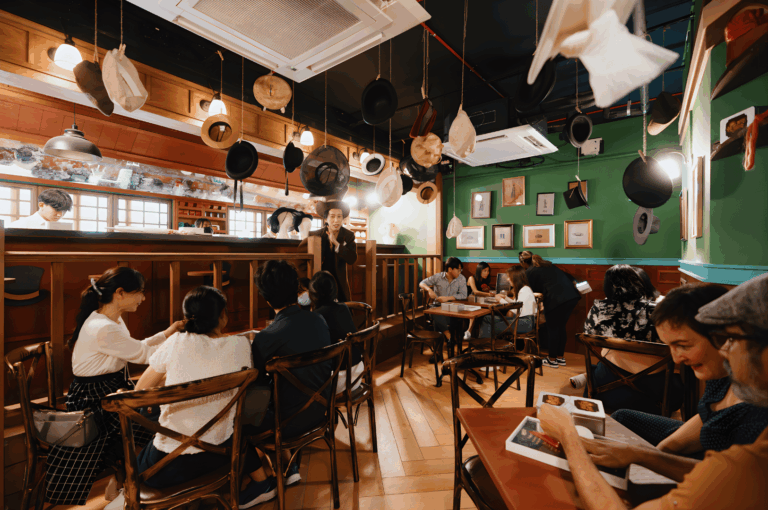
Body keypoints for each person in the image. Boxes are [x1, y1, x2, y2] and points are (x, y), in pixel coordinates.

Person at [538, 272, 768, 510]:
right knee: (624, 418)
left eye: (731, 339)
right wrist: (648, 456)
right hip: (658, 398)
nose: (725, 348)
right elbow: (710, 417)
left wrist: (568, 436)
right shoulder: (726, 376)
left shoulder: (754, 432)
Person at [114, 287, 270, 509]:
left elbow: (140, 392)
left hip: (166, 468)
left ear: (187, 318)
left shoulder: (176, 342)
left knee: (149, 428)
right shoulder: (241, 345)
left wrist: (171, 377)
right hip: (224, 457)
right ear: (223, 315)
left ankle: (123, 497)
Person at [44, 267, 184, 505]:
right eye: (139, 292)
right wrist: (182, 344)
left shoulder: (111, 319)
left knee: (158, 416)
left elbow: (137, 348)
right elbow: (144, 354)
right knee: (159, 422)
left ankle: (128, 479)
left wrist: (168, 333)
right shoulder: (104, 327)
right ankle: (132, 482)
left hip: (109, 390)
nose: (143, 298)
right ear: (120, 293)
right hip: (94, 401)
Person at [611, 284, 768, 455]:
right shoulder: (719, 373)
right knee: (622, 417)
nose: (676, 358)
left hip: (718, 472)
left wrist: (648, 459)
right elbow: (708, 417)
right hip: (710, 443)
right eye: (670, 346)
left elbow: (727, 476)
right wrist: (662, 450)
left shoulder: (757, 412)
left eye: (683, 346)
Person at [249, 260, 332, 489]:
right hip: (321, 411)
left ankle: (262, 484)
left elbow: (256, 385)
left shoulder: (266, 338)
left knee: (240, 417)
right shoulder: (318, 319)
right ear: (297, 290)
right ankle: (289, 466)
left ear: (264, 297)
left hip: (285, 425)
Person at [581, 264, 683, 414]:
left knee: (599, 364)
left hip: (605, 390)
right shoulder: (664, 307)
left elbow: (588, 332)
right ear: (645, 283)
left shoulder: (601, 308)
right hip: (656, 396)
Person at [518, 251, 580, 368]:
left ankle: (552, 360)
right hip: (572, 297)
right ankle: (560, 358)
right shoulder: (548, 265)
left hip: (556, 300)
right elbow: (570, 278)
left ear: (523, 262)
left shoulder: (530, 271)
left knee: (553, 329)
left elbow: (531, 292)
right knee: (561, 328)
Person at [308, 271, 361, 393]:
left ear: (312, 295)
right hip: (357, 374)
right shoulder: (344, 307)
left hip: (337, 381)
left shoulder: (316, 316)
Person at [298, 200, 357, 302]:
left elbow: (352, 259)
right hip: (319, 281)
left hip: (339, 282)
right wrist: (307, 283)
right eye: (332, 216)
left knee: (342, 309)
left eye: (339, 216)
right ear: (326, 218)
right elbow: (300, 260)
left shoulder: (348, 235)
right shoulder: (314, 235)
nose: (336, 220)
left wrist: (337, 244)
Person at [419, 257, 467, 351]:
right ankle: (449, 337)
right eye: (458, 269)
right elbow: (422, 283)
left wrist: (447, 298)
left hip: (453, 309)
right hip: (437, 307)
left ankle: (437, 353)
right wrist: (429, 290)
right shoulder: (438, 277)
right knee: (435, 313)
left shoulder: (461, 279)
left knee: (437, 320)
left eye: (461, 270)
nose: (460, 272)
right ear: (450, 269)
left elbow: (464, 295)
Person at [478, 266, 537, 338]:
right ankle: (486, 344)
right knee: (487, 318)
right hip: (522, 321)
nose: (507, 279)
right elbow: (516, 304)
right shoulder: (524, 289)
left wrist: (500, 300)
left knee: (491, 326)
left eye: (509, 277)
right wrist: (505, 297)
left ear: (515, 277)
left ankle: (486, 346)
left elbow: (514, 309)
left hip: (525, 323)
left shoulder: (524, 290)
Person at [464, 262, 494, 339]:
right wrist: (489, 294)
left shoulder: (484, 280)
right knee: (475, 310)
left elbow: (485, 291)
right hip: (467, 302)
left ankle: (484, 336)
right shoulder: (471, 278)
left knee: (491, 310)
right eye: (484, 271)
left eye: (488, 271)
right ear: (479, 270)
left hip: (478, 303)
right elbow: (475, 291)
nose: (487, 273)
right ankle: (468, 332)